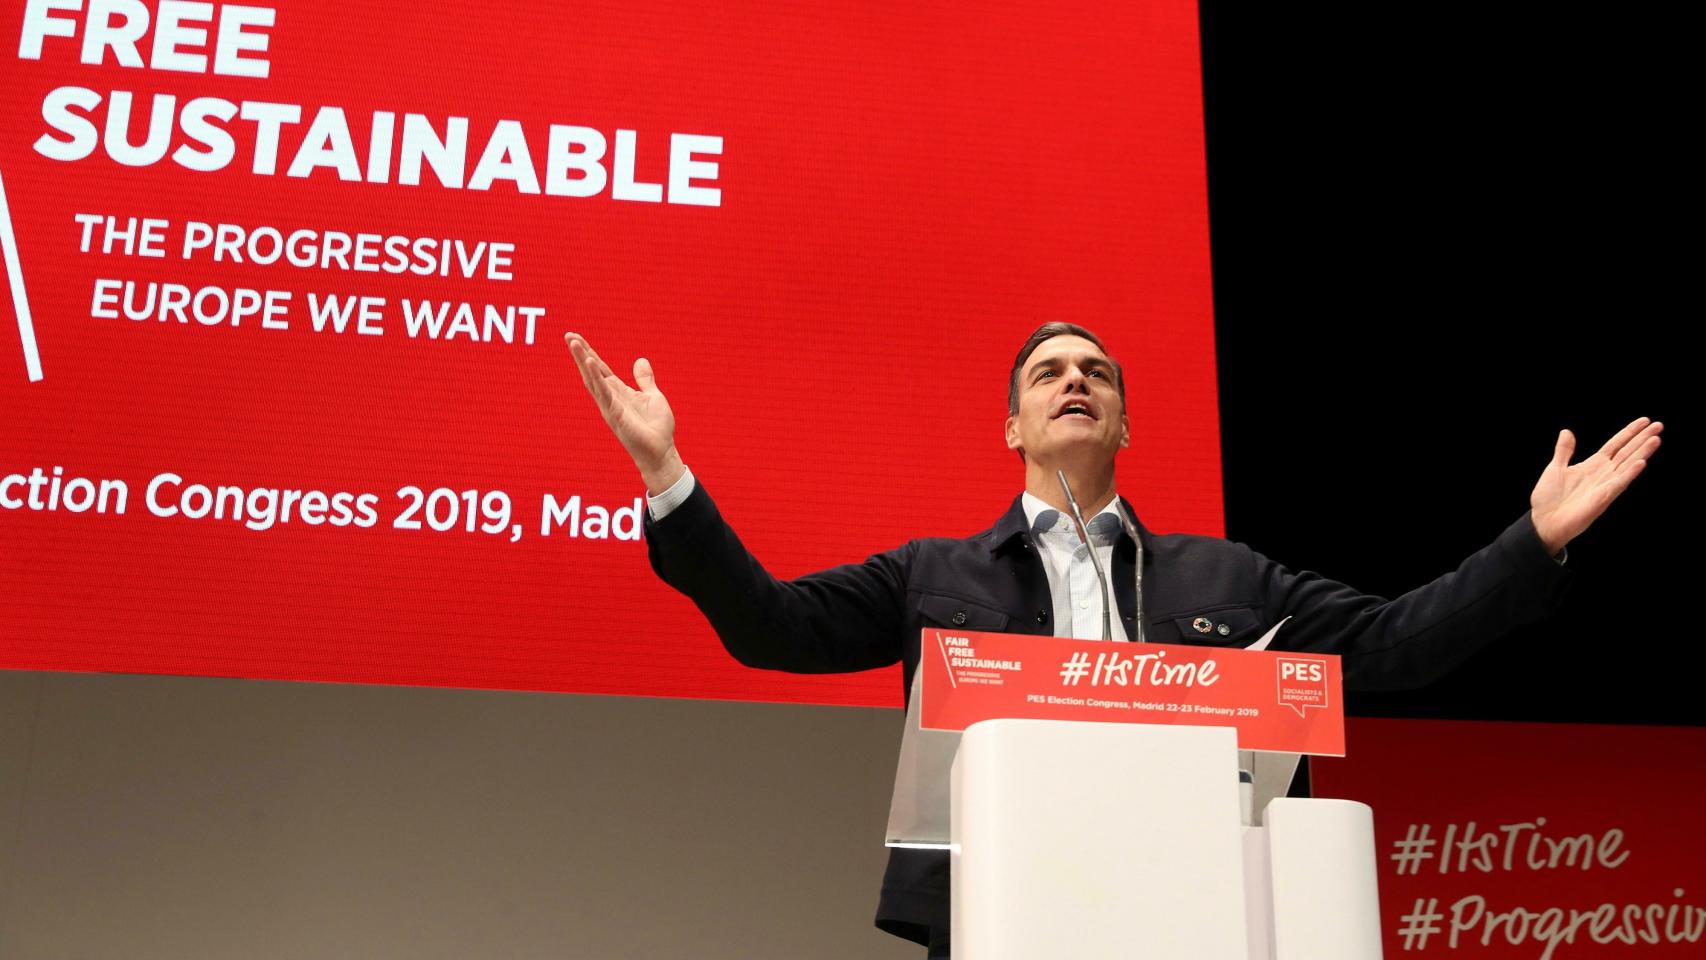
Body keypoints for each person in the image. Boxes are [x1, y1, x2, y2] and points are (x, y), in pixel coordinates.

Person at [564, 323, 1662, 957]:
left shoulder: (1233, 579)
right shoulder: (930, 575)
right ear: (1012, 427)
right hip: (1001, 917)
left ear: (1125, 423)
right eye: (1047, 374)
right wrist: (667, 478)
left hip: (1201, 918)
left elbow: (1394, 644)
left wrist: (1532, 542)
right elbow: (770, 629)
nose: (1073, 381)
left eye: (1094, 372)